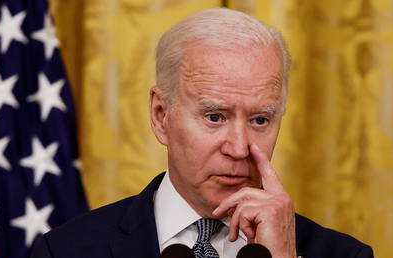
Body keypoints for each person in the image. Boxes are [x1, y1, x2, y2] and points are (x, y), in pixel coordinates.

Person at [31, 8, 373, 258]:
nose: (239, 149)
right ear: (161, 115)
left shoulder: (343, 254)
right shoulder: (64, 250)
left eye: (259, 121)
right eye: (215, 116)